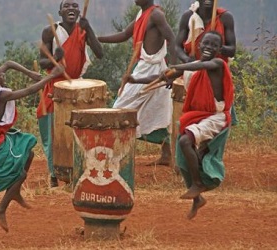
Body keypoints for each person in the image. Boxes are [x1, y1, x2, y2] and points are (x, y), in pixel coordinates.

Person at [0, 60, 64, 232]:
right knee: (20, 173)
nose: (3, 75)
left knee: (29, 153)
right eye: (0, 76)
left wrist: (30, 73)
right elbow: (30, 91)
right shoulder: (0, 95)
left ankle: (15, 192)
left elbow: (8, 63)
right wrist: (52, 76)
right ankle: (0, 209)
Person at [160, 31, 233, 220]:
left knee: (185, 141)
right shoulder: (192, 67)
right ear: (199, 45)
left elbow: (201, 65)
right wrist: (138, 80)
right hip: (198, 116)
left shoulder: (218, 64)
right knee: (184, 154)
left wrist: (175, 65)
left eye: (213, 45)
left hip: (215, 117)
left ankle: (198, 183)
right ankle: (197, 197)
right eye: (205, 44)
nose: (209, 47)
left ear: (219, 50)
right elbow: (168, 75)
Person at [97, 0, 177, 166]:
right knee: (159, 109)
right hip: (143, 67)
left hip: (154, 68)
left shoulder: (156, 14)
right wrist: (96, 39)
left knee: (120, 107)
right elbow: (125, 34)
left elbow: (172, 39)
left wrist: (172, 71)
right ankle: (167, 154)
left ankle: (114, 153)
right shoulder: (142, 14)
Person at [38, 0, 103, 187]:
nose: (72, 9)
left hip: (77, 86)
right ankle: (53, 174)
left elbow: (100, 53)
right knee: (53, 133)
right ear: (60, 12)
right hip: (55, 87)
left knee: (79, 132)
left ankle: (80, 169)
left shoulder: (83, 30)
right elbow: (42, 62)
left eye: (75, 6)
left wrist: (89, 29)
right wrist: (54, 59)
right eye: (67, 6)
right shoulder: (49, 31)